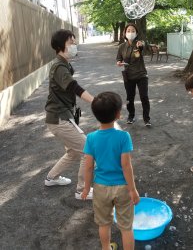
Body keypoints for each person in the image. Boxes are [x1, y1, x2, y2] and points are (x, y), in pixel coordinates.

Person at [81, 91, 140, 250]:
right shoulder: (123, 137)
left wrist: (87, 188)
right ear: (118, 114)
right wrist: (133, 190)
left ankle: (106, 248)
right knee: (126, 227)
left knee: (104, 223)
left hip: (100, 187)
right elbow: (126, 166)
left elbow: (88, 167)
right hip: (122, 188)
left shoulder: (91, 138)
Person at [45, 29, 94, 200]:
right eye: (71, 42)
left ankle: (51, 177)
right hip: (59, 118)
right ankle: (82, 190)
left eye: (74, 41)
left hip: (60, 116)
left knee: (73, 151)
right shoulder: (59, 67)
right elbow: (75, 88)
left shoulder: (64, 64)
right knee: (88, 150)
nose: (74, 45)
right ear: (61, 45)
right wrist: (95, 101)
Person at [116, 23, 151, 127]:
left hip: (141, 75)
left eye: (133, 31)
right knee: (129, 98)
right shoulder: (122, 46)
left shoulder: (139, 43)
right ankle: (131, 116)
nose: (130, 33)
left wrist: (141, 46)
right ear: (125, 33)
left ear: (136, 33)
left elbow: (142, 49)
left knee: (144, 97)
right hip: (129, 76)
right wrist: (119, 63)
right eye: (128, 31)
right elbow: (118, 59)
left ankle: (146, 119)